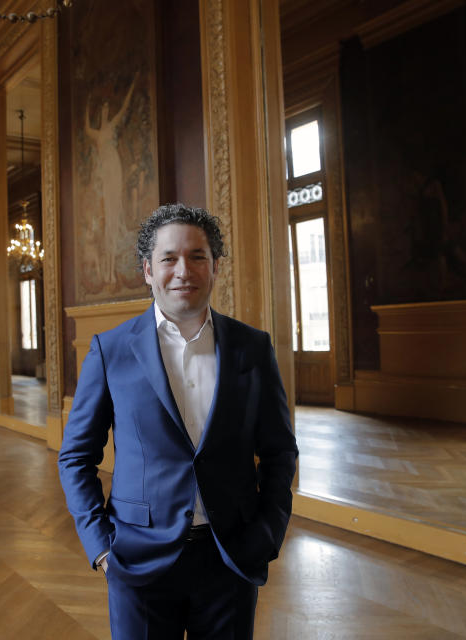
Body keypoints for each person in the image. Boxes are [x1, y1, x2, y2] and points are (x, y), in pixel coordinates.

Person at [58, 203, 298, 639]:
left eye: (197, 256)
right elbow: (76, 457)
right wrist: (101, 548)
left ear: (216, 266)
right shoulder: (110, 351)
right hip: (137, 561)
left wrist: (267, 533)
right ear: (148, 270)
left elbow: (280, 451)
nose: (183, 270)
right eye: (169, 258)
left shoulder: (253, 348)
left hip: (231, 558)